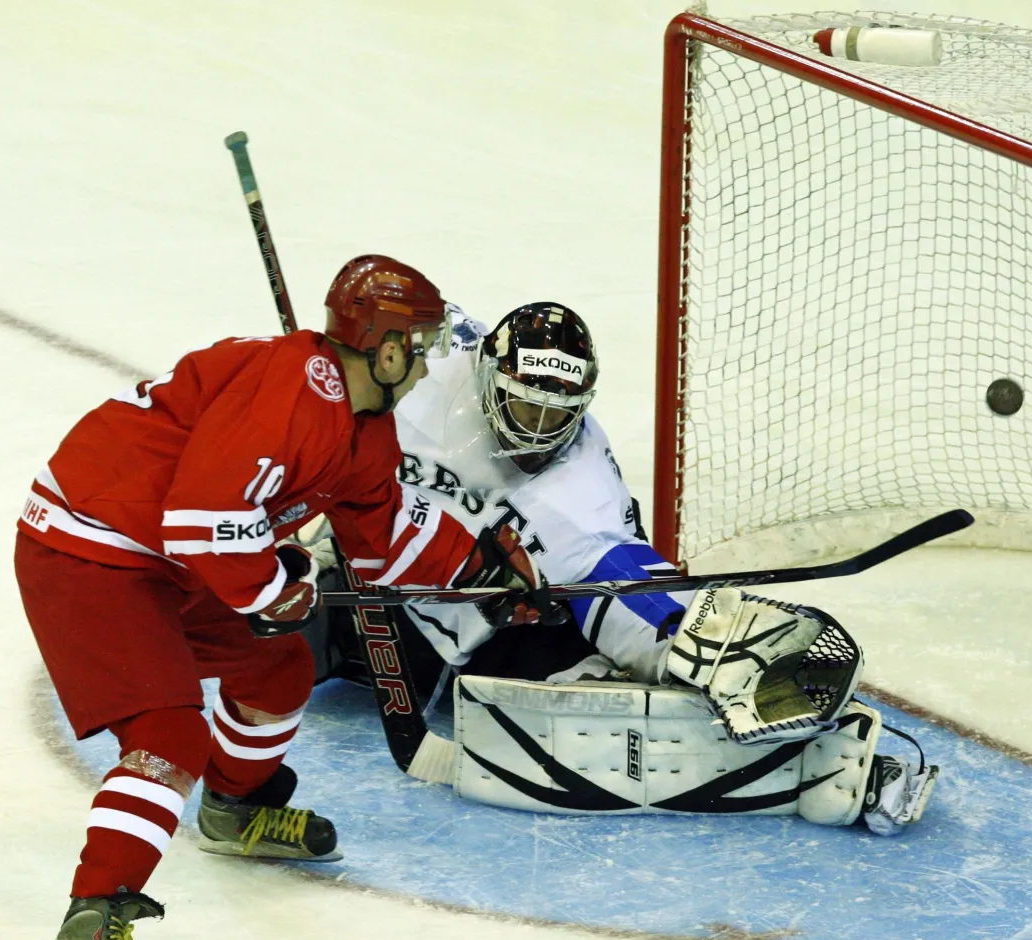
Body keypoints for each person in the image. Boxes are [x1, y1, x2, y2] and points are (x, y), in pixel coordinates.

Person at [16, 256, 547, 940]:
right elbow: (202, 517)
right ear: (388, 348)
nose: (428, 361)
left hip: (166, 554)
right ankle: (92, 924)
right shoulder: (294, 390)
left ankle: (236, 807)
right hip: (90, 543)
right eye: (421, 344)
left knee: (275, 670)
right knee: (169, 736)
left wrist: (478, 565)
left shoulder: (364, 428)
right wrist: (274, 589)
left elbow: (382, 539)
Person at [303, 301, 939, 835]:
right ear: (490, 376)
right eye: (528, 410)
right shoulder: (430, 371)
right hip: (360, 595)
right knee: (251, 621)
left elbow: (619, 575)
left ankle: (816, 758)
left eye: (559, 415)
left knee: (604, 706)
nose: (541, 432)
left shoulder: (578, 487)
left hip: (482, 637)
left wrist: (692, 636)